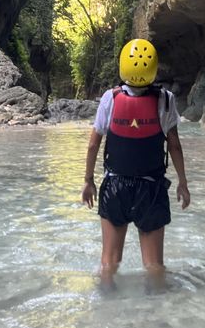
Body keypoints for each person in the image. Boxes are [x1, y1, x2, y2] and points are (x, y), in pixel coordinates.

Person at [81, 38, 190, 286]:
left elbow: (92, 144)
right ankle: (154, 317)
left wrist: (88, 181)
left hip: (115, 187)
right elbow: (174, 145)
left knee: (109, 263)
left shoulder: (110, 98)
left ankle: (106, 313)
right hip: (151, 188)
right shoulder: (166, 99)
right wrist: (183, 182)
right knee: (153, 265)